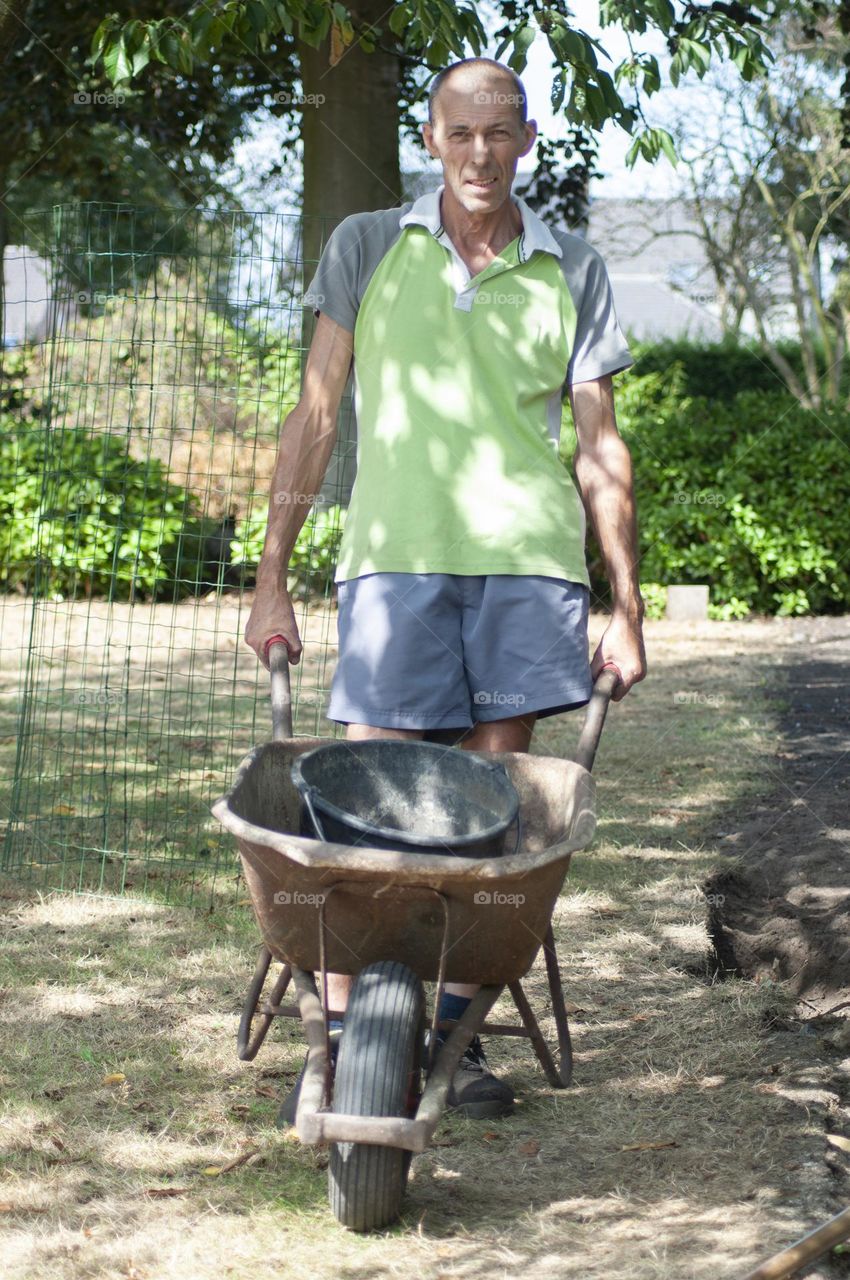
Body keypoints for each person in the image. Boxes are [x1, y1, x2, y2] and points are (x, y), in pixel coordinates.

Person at [245, 56, 647, 1121]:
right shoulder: (368, 244)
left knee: (490, 816)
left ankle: (452, 1037)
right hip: (394, 558)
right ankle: (340, 1039)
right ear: (430, 140)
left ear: (526, 139)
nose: (480, 153)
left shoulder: (574, 267)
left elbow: (600, 447)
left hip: (526, 566)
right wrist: (272, 577)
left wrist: (628, 605)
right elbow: (317, 416)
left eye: (499, 133)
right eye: (460, 133)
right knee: (361, 806)